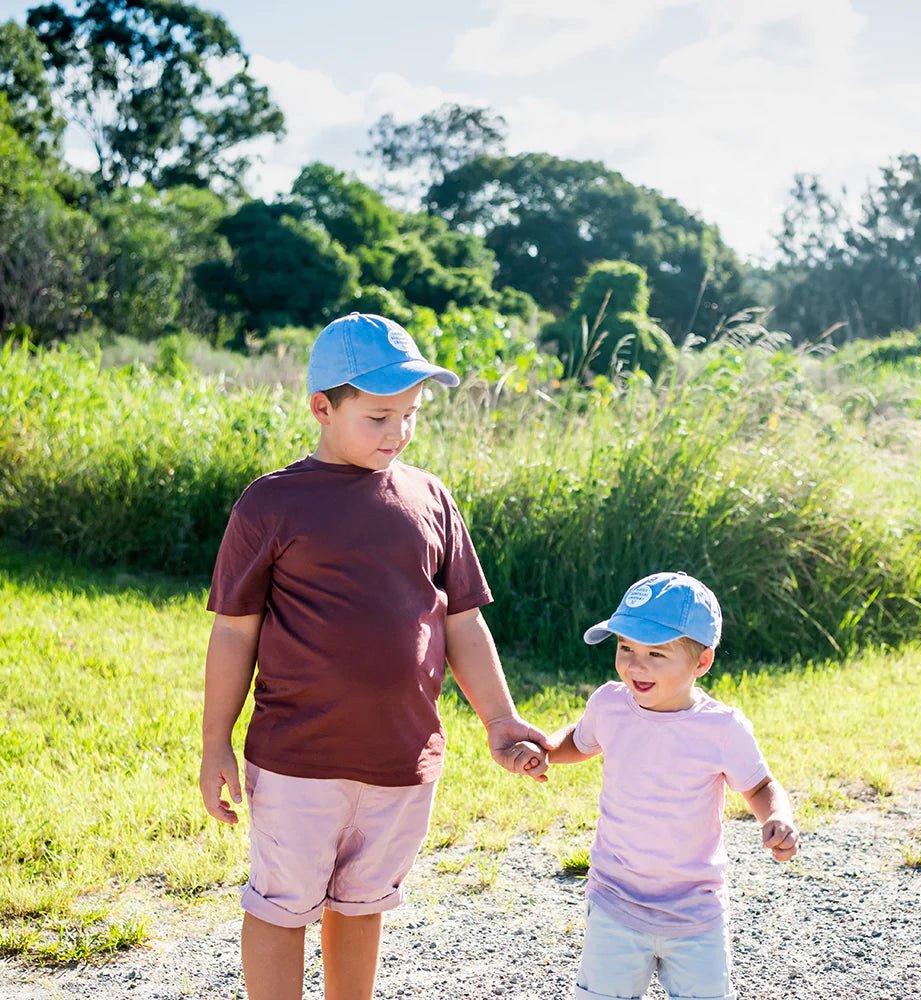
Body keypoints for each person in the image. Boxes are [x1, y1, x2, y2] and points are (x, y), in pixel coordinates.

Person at [198, 312, 549, 1000]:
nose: (399, 434)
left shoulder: (430, 498)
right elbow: (235, 632)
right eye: (380, 417)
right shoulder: (272, 504)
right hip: (298, 759)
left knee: (363, 904)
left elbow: (463, 623)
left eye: (411, 415)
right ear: (322, 408)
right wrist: (216, 742)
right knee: (281, 904)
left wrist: (500, 720)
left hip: (401, 762)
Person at [539, 571, 799, 1000]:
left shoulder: (720, 728)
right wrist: (546, 751)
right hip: (615, 901)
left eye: (656, 654)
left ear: (702, 661)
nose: (635, 665)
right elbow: (581, 742)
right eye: (625, 648)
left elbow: (760, 786)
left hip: (694, 911)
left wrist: (777, 816)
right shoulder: (610, 704)